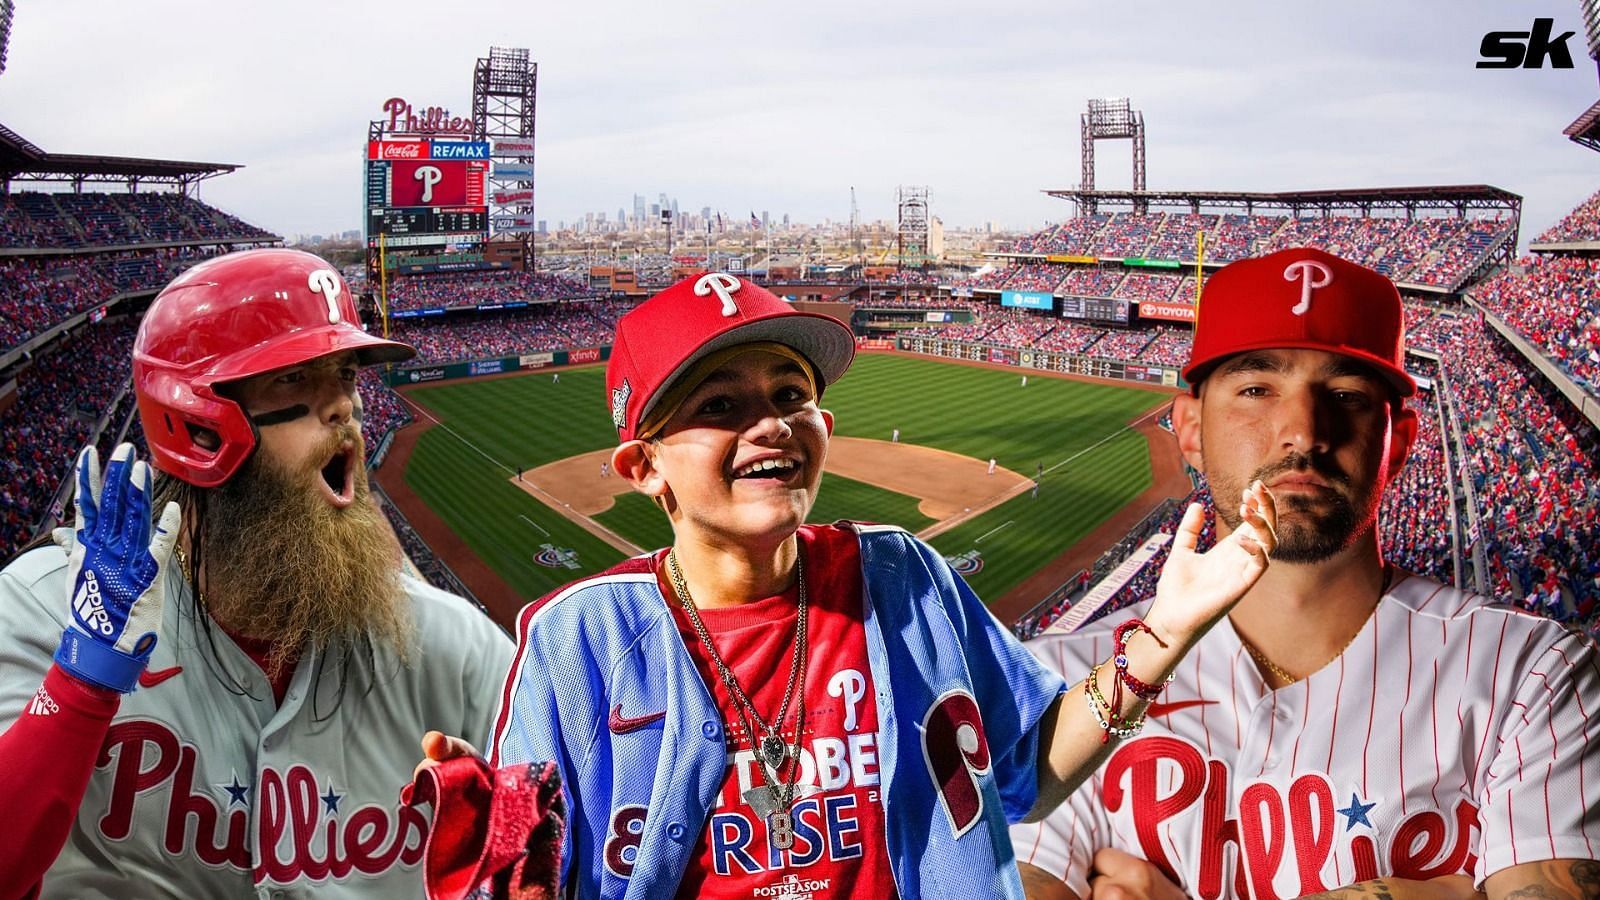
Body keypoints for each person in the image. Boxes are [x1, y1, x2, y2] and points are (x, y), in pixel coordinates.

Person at [416, 272, 1280, 898]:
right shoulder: (581, 641)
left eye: (791, 393)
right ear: (643, 467)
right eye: (720, 406)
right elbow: (522, 869)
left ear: (823, 426)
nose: (771, 424)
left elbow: (1023, 772)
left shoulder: (904, 579)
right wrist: (497, 858)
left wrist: (1163, 635)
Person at [1010, 247, 1600, 900]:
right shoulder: (1059, 686)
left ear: (1398, 441)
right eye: (1257, 389)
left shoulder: (1536, 674)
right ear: (1189, 429)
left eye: (1345, 394)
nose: (1302, 431)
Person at [0, 248, 514, 897]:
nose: (344, 410)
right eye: (294, 381)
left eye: (346, 375)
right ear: (199, 424)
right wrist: (79, 684)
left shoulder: (448, 643)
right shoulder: (48, 610)